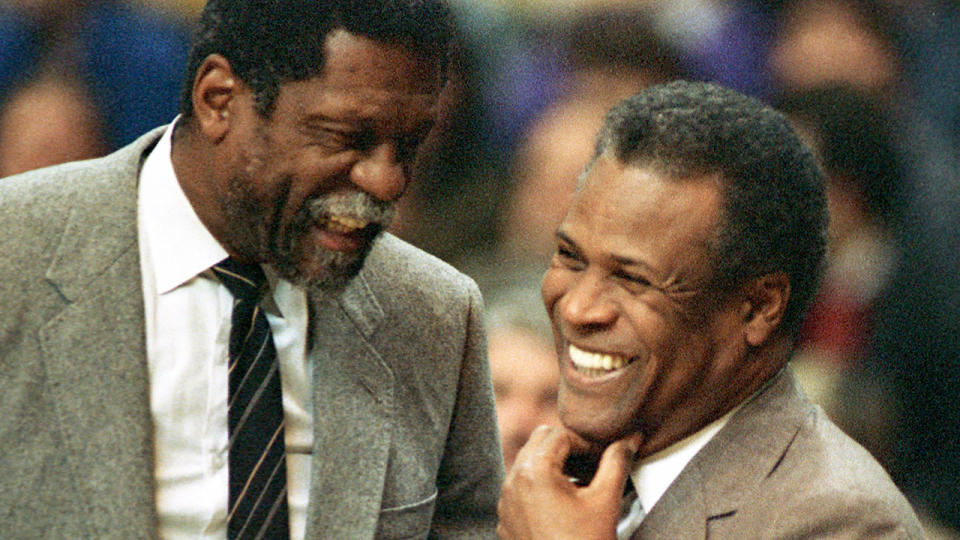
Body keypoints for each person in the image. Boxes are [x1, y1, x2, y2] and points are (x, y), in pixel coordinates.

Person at [0, 1, 503, 539]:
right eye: (344, 137)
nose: (387, 182)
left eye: (408, 146)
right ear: (218, 99)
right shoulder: (15, 256)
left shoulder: (434, 314)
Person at [497, 80, 923, 539]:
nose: (579, 307)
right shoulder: (545, 473)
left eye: (634, 279)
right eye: (570, 256)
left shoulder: (842, 522)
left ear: (759, 307)